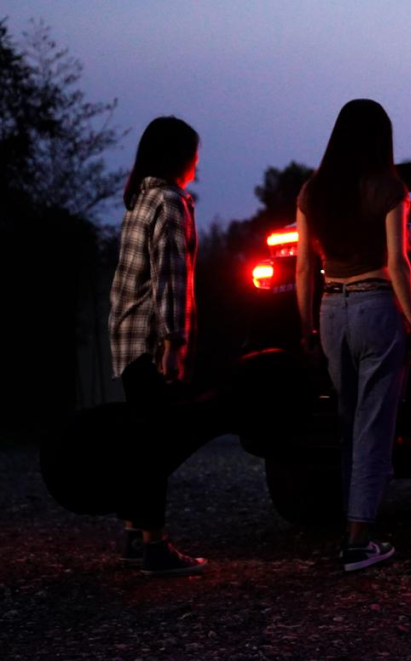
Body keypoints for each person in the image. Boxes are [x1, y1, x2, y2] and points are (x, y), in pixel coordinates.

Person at [295, 99, 411, 572]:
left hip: (331, 309)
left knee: (347, 422)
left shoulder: (313, 191)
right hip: (376, 306)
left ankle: (349, 531)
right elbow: (397, 263)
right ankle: (358, 540)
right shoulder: (388, 188)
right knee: (373, 425)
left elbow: (303, 267)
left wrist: (306, 328)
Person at [109, 116, 207, 576]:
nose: (197, 163)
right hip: (150, 340)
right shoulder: (168, 202)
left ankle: (134, 533)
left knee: (140, 438)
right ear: (178, 156)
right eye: (194, 154)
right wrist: (173, 341)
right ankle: (155, 546)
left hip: (127, 338)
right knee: (154, 443)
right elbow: (170, 276)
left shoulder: (139, 201)